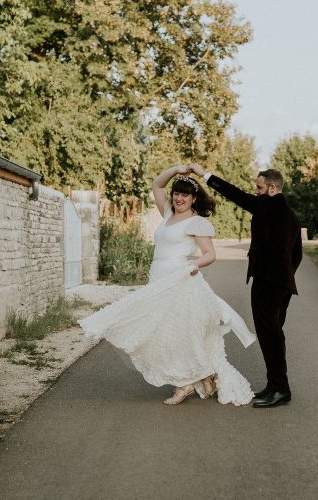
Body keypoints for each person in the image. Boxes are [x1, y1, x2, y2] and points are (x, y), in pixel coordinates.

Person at [78, 165, 256, 406]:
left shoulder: (197, 222)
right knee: (159, 331)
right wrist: (177, 169)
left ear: (194, 199)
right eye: (177, 194)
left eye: (185, 195)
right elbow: (156, 184)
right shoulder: (167, 213)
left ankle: (186, 383)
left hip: (181, 281)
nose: (179, 198)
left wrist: (192, 265)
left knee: (176, 334)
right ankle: (201, 376)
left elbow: (209, 254)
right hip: (158, 278)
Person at [188, 164, 302, 409]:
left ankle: (281, 389)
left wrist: (203, 174)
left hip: (267, 283)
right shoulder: (291, 215)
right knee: (273, 334)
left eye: (259, 187)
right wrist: (286, 276)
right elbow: (298, 255)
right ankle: (275, 385)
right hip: (282, 284)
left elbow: (235, 194)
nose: (256, 191)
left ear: (272, 188)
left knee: (269, 335)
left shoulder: (270, 204)